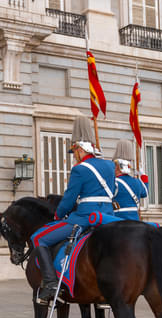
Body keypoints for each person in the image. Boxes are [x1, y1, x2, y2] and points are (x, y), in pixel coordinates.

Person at [30, 117, 117, 303]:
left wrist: (58, 214)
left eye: (74, 151)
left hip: (84, 218)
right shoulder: (110, 165)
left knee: (38, 238)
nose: (74, 155)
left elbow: (69, 199)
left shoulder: (79, 169)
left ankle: (51, 283)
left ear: (80, 148)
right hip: (108, 216)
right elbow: (113, 192)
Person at [112, 140, 149, 221]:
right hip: (135, 219)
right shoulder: (137, 182)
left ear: (117, 166)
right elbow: (145, 192)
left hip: (118, 220)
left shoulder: (115, 183)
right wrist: (143, 176)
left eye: (114, 165)